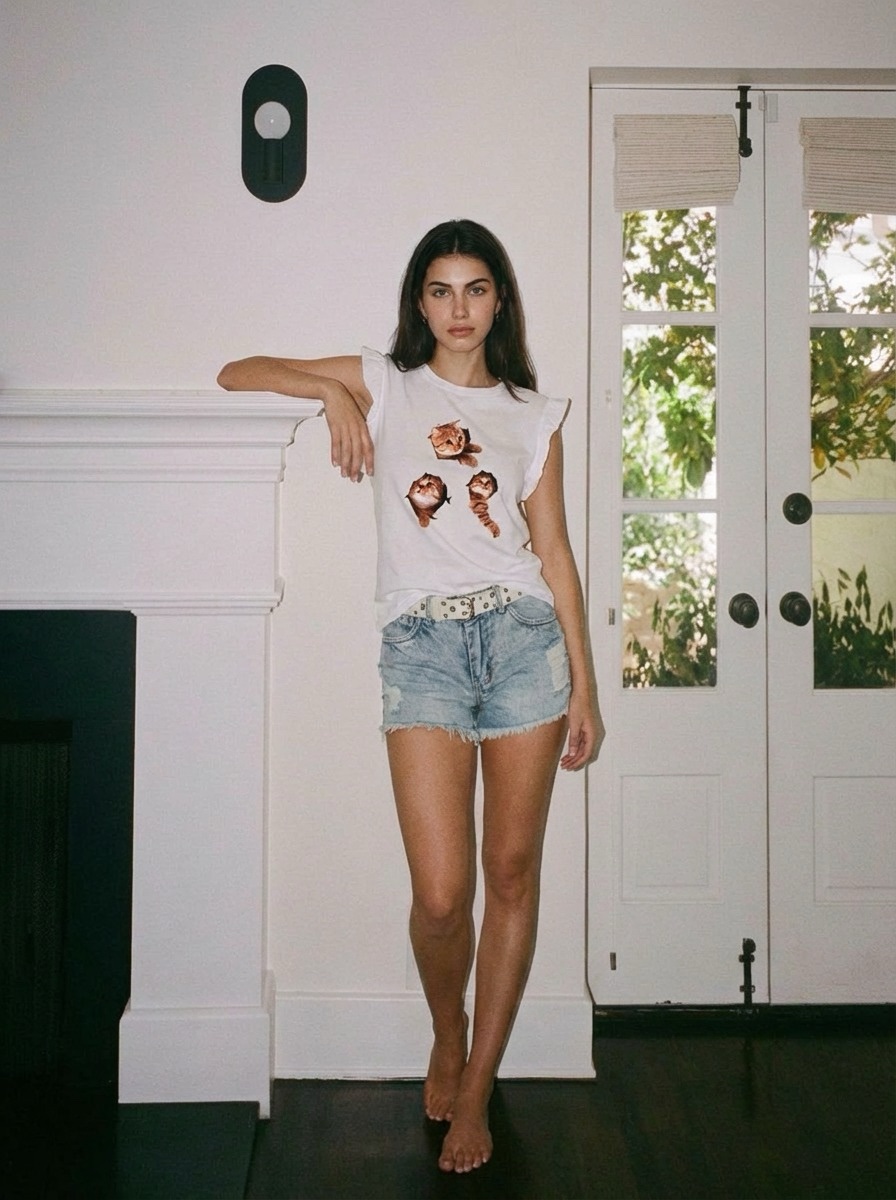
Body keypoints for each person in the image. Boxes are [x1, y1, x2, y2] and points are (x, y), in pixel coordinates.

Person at [218, 219, 604, 1174]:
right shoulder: (385, 382)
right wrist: (329, 393)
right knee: (440, 895)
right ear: (419, 303)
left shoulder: (533, 414)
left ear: (499, 301)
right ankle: (447, 1027)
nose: (458, 308)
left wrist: (586, 688)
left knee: (509, 874)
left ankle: (475, 1087)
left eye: (476, 288)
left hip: (524, 644)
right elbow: (236, 372)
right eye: (441, 289)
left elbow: (554, 554)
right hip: (423, 648)